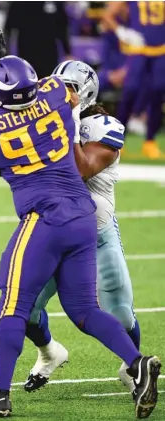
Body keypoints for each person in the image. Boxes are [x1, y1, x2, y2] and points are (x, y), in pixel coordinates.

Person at [0, 31, 160, 419]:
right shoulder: (58, 101)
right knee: (84, 310)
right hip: (82, 218)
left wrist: (0, 79)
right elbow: (47, 92)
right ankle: (137, 362)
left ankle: (0, 395)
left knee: (12, 305)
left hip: (46, 218)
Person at [24, 60, 142, 396]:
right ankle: (49, 353)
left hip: (96, 235)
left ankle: (133, 367)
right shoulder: (44, 121)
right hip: (54, 231)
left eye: (70, 89)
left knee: (118, 313)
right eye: (58, 88)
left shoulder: (105, 126)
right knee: (23, 307)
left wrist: (68, 121)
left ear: (86, 93)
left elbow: (81, 170)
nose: (63, 95)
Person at [102, 1, 165, 159]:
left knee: (158, 91)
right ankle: (118, 140)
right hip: (138, 48)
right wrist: (121, 31)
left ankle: (150, 141)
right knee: (130, 90)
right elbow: (108, 14)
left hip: (161, 49)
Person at [3, 1, 72, 79]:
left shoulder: (54, 2)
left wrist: (68, 52)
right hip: (26, 54)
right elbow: (8, 29)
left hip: (49, 55)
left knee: (49, 85)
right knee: (29, 85)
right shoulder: (19, 3)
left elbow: (62, 27)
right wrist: (6, 54)